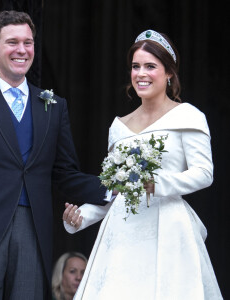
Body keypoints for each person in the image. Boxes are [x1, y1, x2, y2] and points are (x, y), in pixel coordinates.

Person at [0, 10, 108, 300]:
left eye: (28, 42)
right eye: (12, 42)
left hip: (33, 232)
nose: (22, 50)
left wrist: (114, 189)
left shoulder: (53, 106)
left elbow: (65, 174)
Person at [63, 29, 223, 299]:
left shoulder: (188, 116)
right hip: (122, 234)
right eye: (136, 66)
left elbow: (204, 173)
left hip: (169, 229)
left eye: (151, 66)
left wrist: (158, 183)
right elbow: (116, 192)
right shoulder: (118, 126)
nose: (141, 74)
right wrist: (81, 217)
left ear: (169, 72)